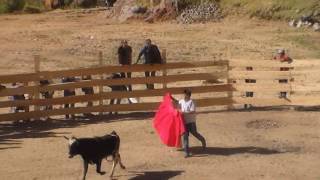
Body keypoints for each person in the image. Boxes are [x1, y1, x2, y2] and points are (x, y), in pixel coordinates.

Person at [179, 89, 206, 158]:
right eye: (184, 94)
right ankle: (186, 152)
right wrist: (171, 98)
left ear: (189, 95)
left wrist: (184, 113)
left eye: (186, 94)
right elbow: (176, 103)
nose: (185, 95)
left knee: (195, 133)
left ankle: (203, 140)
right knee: (185, 137)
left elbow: (193, 111)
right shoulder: (181, 101)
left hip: (191, 122)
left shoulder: (192, 102)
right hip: (184, 122)